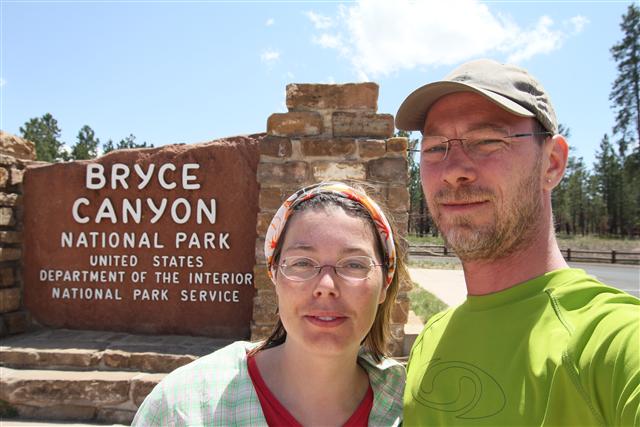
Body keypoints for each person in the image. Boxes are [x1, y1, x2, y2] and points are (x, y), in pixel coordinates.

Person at [395, 59, 639, 426]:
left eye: (487, 142)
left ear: (551, 163)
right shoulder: (432, 338)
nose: (453, 170)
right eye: (434, 148)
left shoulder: (612, 342)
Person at [132, 182, 407, 426]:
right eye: (302, 263)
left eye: (354, 264)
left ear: (385, 282)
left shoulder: (413, 407)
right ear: (274, 275)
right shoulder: (183, 406)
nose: (326, 286)